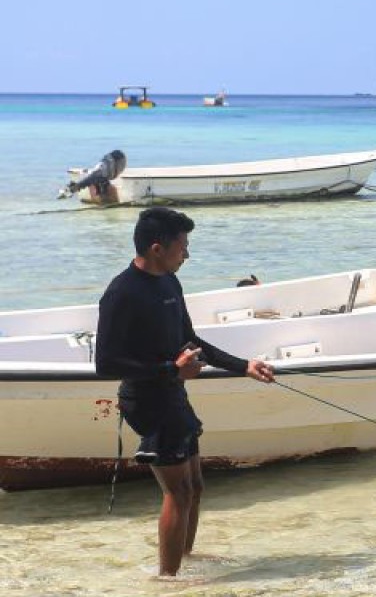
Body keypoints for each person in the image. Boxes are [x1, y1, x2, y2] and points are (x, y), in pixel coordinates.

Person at [94, 207, 275, 577]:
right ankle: (168, 580)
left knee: (194, 486)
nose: (187, 255)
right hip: (146, 400)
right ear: (158, 248)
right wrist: (170, 371)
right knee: (177, 493)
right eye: (183, 246)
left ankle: (185, 560)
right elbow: (107, 364)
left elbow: (189, 341)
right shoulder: (121, 293)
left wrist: (243, 366)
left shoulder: (169, 282)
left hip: (172, 394)